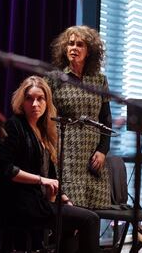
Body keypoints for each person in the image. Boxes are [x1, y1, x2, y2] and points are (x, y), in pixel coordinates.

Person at [0, 76, 100, 253]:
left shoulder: (44, 131)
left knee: (76, 221)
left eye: (40, 99)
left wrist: (65, 199)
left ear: (47, 102)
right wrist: (41, 180)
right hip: (19, 204)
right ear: (22, 101)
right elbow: (5, 169)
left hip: (38, 202)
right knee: (90, 220)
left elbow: (52, 177)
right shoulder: (14, 126)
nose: (35, 104)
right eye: (29, 98)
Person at [46, 25, 112, 209]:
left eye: (80, 44)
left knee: (92, 215)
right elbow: (45, 116)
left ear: (89, 50)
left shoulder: (99, 80)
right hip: (65, 153)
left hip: (93, 157)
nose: (74, 48)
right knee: (71, 212)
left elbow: (106, 119)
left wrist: (103, 151)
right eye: (70, 44)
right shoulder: (54, 78)